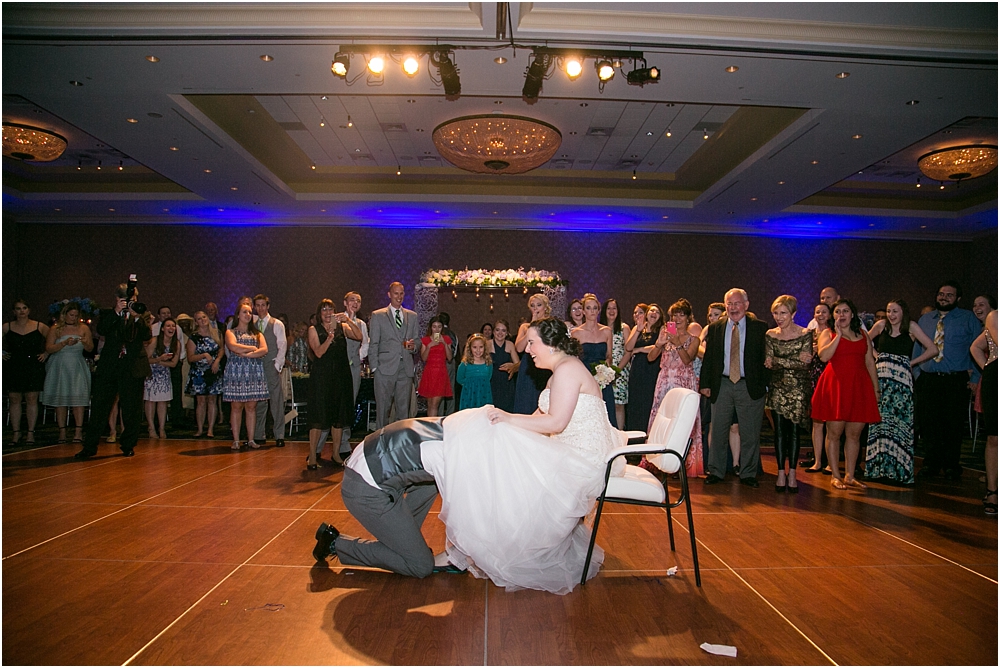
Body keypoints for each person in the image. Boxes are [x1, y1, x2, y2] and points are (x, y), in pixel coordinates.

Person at [443, 317, 623, 594]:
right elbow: (537, 418)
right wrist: (502, 423)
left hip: (584, 456)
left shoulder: (567, 371)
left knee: (515, 475)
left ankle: (487, 548)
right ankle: (476, 547)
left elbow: (555, 424)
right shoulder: (559, 372)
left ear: (550, 344)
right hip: (567, 446)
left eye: (532, 342)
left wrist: (508, 419)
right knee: (503, 446)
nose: (527, 350)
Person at [312, 416, 450, 577]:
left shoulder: (465, 424)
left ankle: (405, 543)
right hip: (365, 488)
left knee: (433, 483)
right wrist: (462, 556)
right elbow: (462, 516)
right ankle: (335, 544)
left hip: (374, 460)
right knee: (421, 565)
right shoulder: (459, 456)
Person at [912, 281, 982, 480]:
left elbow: (978, 348)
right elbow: (918, 349)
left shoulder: (968, 319)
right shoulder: (925, 319)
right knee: (929, 424)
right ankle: (930, 464)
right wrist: (917, 374)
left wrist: (976, 377)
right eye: (941, 294)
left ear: (958, 299)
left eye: (950, 295)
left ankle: (952, 465)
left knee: (953, 425)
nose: (944, 297)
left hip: (955, 380)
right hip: (928, 380)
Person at [865, 300, 938, 485]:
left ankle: (899, 472)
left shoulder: (911, 327)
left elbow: (933, 349)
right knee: (880, 423)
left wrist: (911, 363)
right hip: (882, 377)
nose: (891, 315)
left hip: (902, 380)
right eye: (889, 311)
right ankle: (877, 469)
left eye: (895, 311)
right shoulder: (881, 325)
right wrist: (877, 356)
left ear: (903, 312)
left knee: (901, 424)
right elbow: (864, 340)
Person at [701, 288, 769, 487]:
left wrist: (765, 385)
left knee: (749, 433)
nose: (733, 308)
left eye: (737, 303)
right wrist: (705, 384)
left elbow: (766, 359)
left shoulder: (760, 327)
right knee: (719, 430)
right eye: (729, 304)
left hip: (749, 386)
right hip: (721, 384)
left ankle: (748, 473)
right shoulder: (716, 328)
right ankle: (716, 471)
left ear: (746, 305)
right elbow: (709, 360)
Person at [76, 284, 152, 459]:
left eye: (135, 299)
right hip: (110, 367)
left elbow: (146, 336)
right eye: (128, 300)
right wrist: (117, 312)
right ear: (118, 299)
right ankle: (89, 446)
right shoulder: (107, 314)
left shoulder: (141, 314)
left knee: (132, 409)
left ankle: (128, 445)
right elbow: (102, 330)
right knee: (99, 407)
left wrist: (137, 318)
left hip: (132, 367)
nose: (133, 303)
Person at [812, 299, 880, 490]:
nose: (841, 315)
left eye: (845, 311)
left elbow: (869, 363)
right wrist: (838, 336)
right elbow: (824, 356)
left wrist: (876, 389)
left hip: (859, 386)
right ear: (833, 316)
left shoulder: (863, 335)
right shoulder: (828, 333)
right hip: (836, 386)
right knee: (834, 433)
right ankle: (835, 474)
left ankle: (850, 475)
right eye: (838, 312)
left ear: (852, 314)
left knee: (854, 434)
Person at [648, 299, 703, 477]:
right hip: (664, 380)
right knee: (661, 419)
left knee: (682, 422)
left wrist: (677, 342)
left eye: (681, 314)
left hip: (684, 382)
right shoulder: (665, 335)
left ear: (688, 318)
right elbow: (651, 358)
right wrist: (660, 343)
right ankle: (658, 460)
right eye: (674, 315)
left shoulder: (694, 339)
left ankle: (681, 463)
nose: (677, 318)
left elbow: (687, 360)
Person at [764, 296, 813, 493]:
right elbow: (768, 362)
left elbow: (805, 365)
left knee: (793, 432)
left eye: (783, 313)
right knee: (779, 432)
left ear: (793, 314)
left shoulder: (805, 333)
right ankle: (780, 472)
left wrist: (778, 360)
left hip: (798, 389)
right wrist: (793, 359)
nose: (778, 317)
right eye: (776, 313)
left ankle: (792, 472)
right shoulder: (770, 334)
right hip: (777, 387)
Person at [306, 299, 362, 469]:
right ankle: (313, 456)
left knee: (338, 418)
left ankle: (336, 454)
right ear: (319, 313)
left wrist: (348, 320)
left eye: (330, 310)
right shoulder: (313, 330)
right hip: (322, 378)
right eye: (324, 310)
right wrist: (330, 337)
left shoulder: (342, 328)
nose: (328, 313)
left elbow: (359, 336)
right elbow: (319, 352)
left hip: (340, 377)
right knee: (319, 417)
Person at [368, 282, 421, 428]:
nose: (399, 296)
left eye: (402, 293)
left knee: (403, 411)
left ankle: (400, 443)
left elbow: (417, 340)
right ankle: (381, 444)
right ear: (389, 294)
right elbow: (373, 343)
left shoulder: (412, 316)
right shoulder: (378, 315)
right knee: (383, 410)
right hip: (384, 369)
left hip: (405, 368)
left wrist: (414, 346)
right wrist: (375, 368)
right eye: (396, 293)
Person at [42, 302, 93, 444]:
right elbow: (49, 348)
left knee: (78, 399)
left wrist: (84, 342)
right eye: (71, 315)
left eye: (76, 316)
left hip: (77, 364)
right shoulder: (55, 329)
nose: (73, 318)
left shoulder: (83, 328)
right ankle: (62, 431)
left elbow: (90, 349)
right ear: (64, 315)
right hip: (60, 364)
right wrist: (63, 343)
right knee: (61, 399)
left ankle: (78, 431)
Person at [3, 299, 49, 445]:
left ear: (29, 310)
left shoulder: (39, 326)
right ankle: (16, 433)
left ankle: (30, 433)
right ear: (13, 311)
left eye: (24, 308)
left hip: (33, 365)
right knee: (14, 398)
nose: (21, 311)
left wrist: (46, 353)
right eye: (18, 308)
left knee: (31, 398)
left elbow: (54, 339)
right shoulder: (7, 326)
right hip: (14, 365)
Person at [224, 303, 268, 451]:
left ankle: (250, 439)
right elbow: (233, 346)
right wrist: (251, 348)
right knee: (236, 406)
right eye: (244, 312)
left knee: (251, 406)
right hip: (236, 371)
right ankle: (236, 440)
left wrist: (245, 353)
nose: (248, 315)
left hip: (254, 371)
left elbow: (264, 350)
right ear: (238, 315)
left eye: (250, 312)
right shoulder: (230, 332)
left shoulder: (257, 333)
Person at [572, 293, 616, 427]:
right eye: (589, 308)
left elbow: (609, 356)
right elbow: (574, 359)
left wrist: (606, 372)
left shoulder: (606, 331)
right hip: (585, 378)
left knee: (606, 412)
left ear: (598, 310)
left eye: (595, 308)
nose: (592, 311)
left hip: (603, 379)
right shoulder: (576, 333)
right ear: (584, 311)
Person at [971, 310, 997, 515]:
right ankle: (992, 491)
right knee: (994, 437)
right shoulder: (995, 316)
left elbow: (977, 345)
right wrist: (988, 369)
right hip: (996, 379)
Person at [252, 294, 287, 448]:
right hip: (255, 367)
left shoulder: (276, 324)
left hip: (270, 364)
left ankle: (279, 434)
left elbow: (282, 345)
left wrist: (277, 365)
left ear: (268, 306)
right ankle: (259, 434)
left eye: (263, 305)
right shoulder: (251, 323)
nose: (260, 308)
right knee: (259, 402)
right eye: (258, 305)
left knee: (276, 402)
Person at [804, 303, 834, 473]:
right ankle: (817, 461)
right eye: (817, 312)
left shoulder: (833, 333)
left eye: (824, 312)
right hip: (813, 378)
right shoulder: (808, 334)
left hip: (829, 377)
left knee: (830, 422)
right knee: (816, 422)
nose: (820, 315)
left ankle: (831, 462)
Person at [624, 303, 664, 433]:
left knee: (649, 403)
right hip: (637, 370)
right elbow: (628, 347)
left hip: (653, 369)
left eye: (657, 311)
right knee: (635, 403)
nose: (654, 313)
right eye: (651, 310)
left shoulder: (662, 330)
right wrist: (638, 330)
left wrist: (640, 349)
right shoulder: (638, 328)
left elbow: (661, 347)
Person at [339, 292, 370, 458]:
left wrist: (358, 357)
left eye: (358, 300)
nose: (355, 303)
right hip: (338, 367)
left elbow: (365, 343)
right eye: (352, 300)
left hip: (353, 367)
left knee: (349, 404)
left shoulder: (361, 324)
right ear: (345, 303)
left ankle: (344, 443)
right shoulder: (337, 320)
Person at [512, 293, 553, 414]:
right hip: (529, 366)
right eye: (532, 306)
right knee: (526, 401)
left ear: (545, 307)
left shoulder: (551, 324)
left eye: (538, 305)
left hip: (546, 365)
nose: (535, 309)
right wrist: (532, 327)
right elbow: (519, 348)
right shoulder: (525, 327)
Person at [185, 311, 224, 437]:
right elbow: (190, 358)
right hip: (199, 372)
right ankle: (200, 429)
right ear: (196, 322)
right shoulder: (194, 337)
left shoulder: (217, 333)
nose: (202, 320)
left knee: (212, 400)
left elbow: (222, 349)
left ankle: (210, 429)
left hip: (213, 370)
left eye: (204, 317)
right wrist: (203, 355)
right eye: (199, 319)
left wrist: (217, 360)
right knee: (201, 401)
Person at [152, 305, 188, 428]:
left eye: (168, 313)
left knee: (176, 393)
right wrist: (157, 361)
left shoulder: (177, 328)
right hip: (155, 369)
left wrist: (178, 362)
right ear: (158, 315)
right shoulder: (153, 328)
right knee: (155, 396)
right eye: (163, 313)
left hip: (174, 364)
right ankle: (156, 423)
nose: (166, 315)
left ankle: (177, 420)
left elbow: (181, 346)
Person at [144, 318, 179, 439]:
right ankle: (151, 428)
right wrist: (160, 359)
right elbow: (146, 360)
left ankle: (162, 428)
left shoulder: (176, 343)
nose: (171, 328)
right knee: (151, 401)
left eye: (173, 326)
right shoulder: (154, 341)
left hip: (164, 375)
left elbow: (174, 363)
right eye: (168, 326)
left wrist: (161, 362)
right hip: (151, 374)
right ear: (163, 328)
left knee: (163, 402)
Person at [601, 298, 631, 431]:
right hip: (602, 371)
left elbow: (628, 351)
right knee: (604, 404)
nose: (612, 311)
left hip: (620, 371)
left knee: (619, 405)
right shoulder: (599, 328)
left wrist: (617, 370)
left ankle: (620, 434)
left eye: (614, 308)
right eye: (609, 308)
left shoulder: (624, 328)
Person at [417, 316, 453, 417]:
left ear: (442, 328)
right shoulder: (425, 340)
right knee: (430, 404)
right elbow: (424, 358)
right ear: (430, 328)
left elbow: (449, 358)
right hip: (429, 373)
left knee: (435, 404)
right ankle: (430, 426)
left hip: (441, 373)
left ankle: (433, 428)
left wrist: (444, 344)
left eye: (439, 327)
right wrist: (429, 346)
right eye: (434, 327)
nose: (437, 329)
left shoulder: (446, 339)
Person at [488, 319, 518, 412]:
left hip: (507, 385)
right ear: (493, 331)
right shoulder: (486, 344)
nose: (500, 333)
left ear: (507, 333)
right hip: (491, 383)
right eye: (497, 330)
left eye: (503, 330)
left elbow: (519, 365)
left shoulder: (510, 345)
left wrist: (513, 366)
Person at [456, 334, 492, 409]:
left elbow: (489, 377)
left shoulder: (488, 363)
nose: (478, 350)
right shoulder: (465, 363)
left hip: (484, 393)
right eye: (474, 347)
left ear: (485, 348)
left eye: (481, 347)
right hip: (469, 394)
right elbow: (459, 378)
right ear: (470, 348)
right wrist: (470, 384)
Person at [438, 312, 460, 415]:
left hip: (440, 362)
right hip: (451, 363)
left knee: (439, 390)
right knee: (450, 390)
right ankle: (450, 414)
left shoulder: (438, 334)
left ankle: (440, 414)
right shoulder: (453, 334)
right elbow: (455, 351)